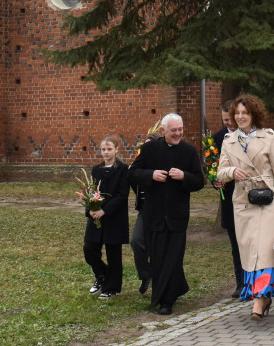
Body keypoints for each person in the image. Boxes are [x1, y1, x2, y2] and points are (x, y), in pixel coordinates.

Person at [217, 94, 274, 322]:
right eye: (237, 113)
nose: (241, 117)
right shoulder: (229, 140)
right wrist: (232, 172)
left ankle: (258, 300)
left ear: (254, 114)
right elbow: (220, 171)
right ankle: (263, 296)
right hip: (244, 202)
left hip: (268, 200)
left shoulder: (269, 137)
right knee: (249, 252)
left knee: (265, 251)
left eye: (245, 113)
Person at [128, 113, 205, 314]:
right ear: (163, 131)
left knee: (173, 259)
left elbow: (199, 181)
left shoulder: (188, 152)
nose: (178, 133)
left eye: (180, 129)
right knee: (159, 258)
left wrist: (184, 176)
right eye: (174, 130)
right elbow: (132, 173)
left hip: (177, 216)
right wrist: (150, 175)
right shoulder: (149, 149)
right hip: (154, 215)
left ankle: (166, 301)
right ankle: (165, 294)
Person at [84, 136, 130, 298]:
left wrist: (105, 211)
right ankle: (102, 275)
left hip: (114, 217)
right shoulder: (97, 169)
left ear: (117, 150)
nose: (106, 152)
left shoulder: (123, 169)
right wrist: (90, 209)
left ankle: (112, 287)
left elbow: (122, 195)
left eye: (109, 149)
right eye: (103, 149)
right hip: (96, 217)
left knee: (113, 253)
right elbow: (91, 191)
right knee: (89, 248)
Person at [212, 100, 245, 298]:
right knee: (235, 245)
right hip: (229, 200)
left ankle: (254, 282)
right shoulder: (217, 138)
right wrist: (214, 181)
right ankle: (240, 283)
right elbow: (213, 168)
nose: (229, 124)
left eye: (231, 120)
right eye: (225, 121)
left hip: (248, 196)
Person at [129, 128, 162, 295]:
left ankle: (159, 283)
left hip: (160, 212)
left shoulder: (161, 166)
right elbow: (134, 183)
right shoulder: (139, 167)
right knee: (136, 241)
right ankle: (145, 274)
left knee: (158, 248)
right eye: (144, 147)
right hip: (144, 210)